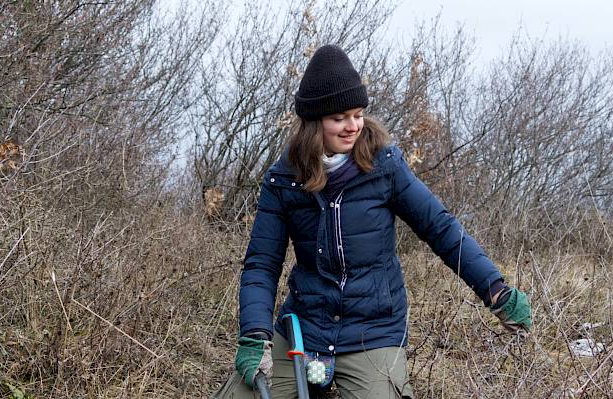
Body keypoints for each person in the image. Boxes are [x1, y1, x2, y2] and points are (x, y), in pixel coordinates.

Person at [214, 45, 531, 399]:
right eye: (340, 118)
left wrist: (495, 290)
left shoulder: (386, 167)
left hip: (373, 331)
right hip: (305, 329)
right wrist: (255, 334)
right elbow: (262, 263)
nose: (353, 126)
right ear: (314, 122)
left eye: (358, 114)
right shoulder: (283, 179)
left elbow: (440, 229)